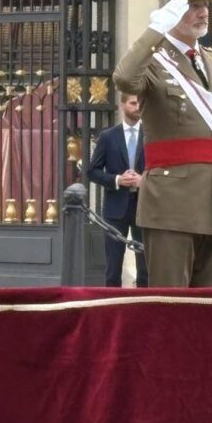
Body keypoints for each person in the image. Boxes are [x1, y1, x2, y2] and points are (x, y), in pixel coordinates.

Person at [112, 0, 212, 288]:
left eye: (206, 5)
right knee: (171, 304)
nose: (203, 12)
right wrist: (154, 30)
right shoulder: (153, 60)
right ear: (170, 11)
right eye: (193, 5)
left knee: (208, 305)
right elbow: (124, 79)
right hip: (171, 203)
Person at [88, 91, 148, 287]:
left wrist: (144, 180)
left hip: (144, 206)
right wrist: (117, 180)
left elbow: (161, 168)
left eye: (139, 103)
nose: (137, 107)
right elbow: (92, 171)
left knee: (146, 266)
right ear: (122, 105)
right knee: (113, 267)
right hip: (116, 207)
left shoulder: (151, 134)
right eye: (132, 103)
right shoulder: (108, 137)